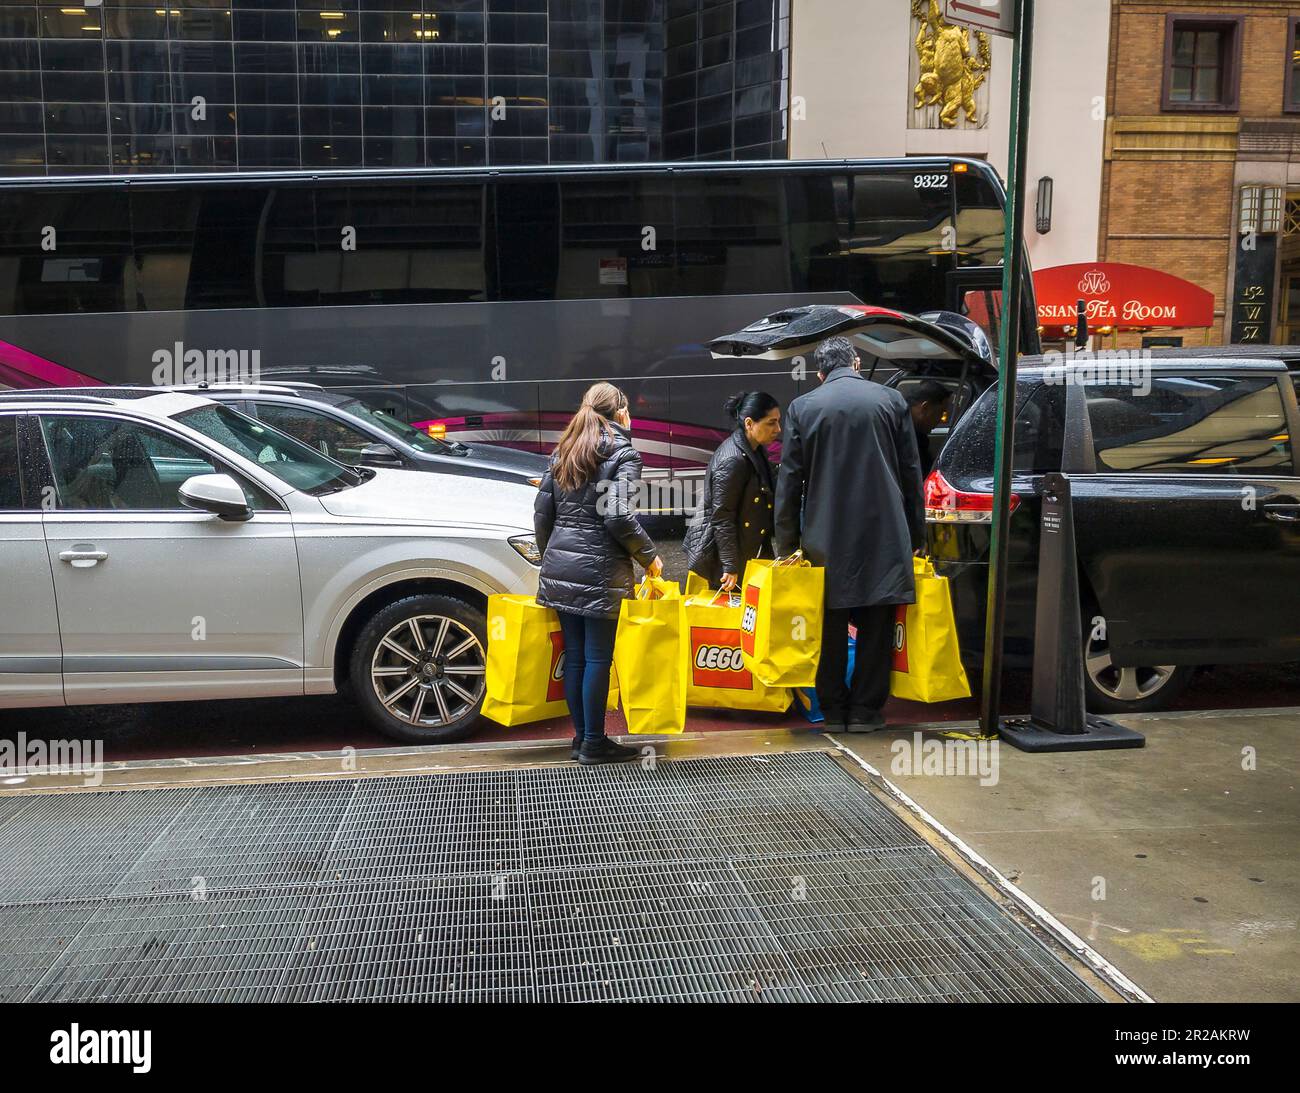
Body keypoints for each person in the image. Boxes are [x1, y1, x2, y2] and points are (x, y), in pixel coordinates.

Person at [774, 336, 925, 733]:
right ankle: (865, 712)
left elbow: (789, 480)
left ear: (820, 372)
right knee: (876, 623)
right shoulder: (891, 401)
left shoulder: (802, 408)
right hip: (885, 533)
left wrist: (788, 543)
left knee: (829, 626)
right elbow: (911, 473)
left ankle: (835, 709)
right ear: (856, 362)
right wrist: (917, 534)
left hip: (826, 537)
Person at [534, 382, 664, 765]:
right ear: (621, 412)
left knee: (575, 659)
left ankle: (581, 738)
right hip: (598, 572)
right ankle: (594, 743)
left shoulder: (564, 450)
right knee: (596, 660)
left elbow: (543, 515)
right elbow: (618, 515)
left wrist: (552, 561)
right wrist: (649, 557)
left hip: (560, 568)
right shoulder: (623, 454)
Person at [683, 391, 782, 592]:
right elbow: (722, 516)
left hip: (748, 549)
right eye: (771, 423)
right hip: (727, 560)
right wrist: (730, 565)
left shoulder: (755, 449)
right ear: (749, 423)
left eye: (778, 422)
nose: (778, 429)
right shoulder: (733, 460)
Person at [906, 380, 953, 476]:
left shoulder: (915, 435)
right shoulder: (906, 438)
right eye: (941, 412)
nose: (940, 419)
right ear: (925, 408)